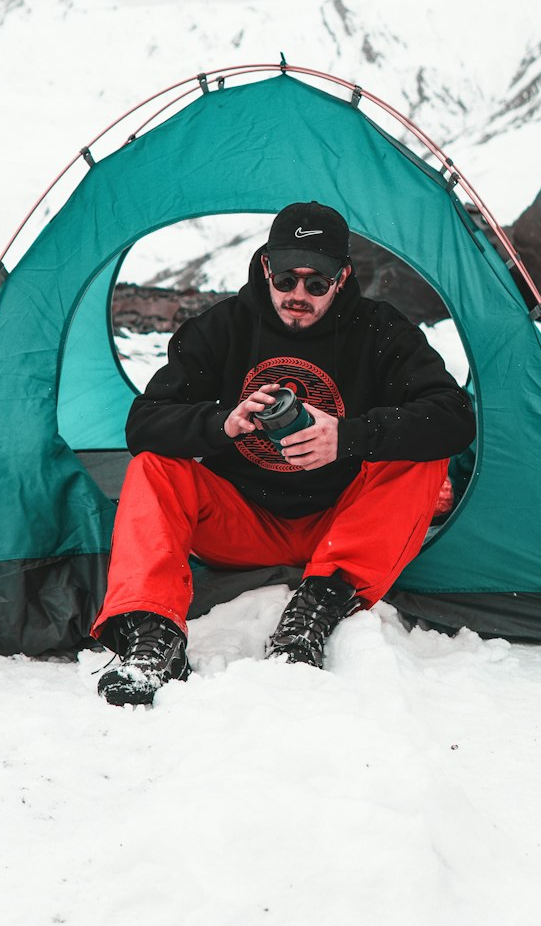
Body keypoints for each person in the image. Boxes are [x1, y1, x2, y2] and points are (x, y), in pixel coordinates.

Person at [92, 201, 476, 705]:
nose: (298, 294)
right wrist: (220, 422)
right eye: (285, 279)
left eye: (316, 282)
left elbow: (453, 416)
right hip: (242, 523)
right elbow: (144, 424)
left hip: (341, 531)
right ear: (265, 267)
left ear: (341, 278)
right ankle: (154, 635)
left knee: (422, 453)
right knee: (154, 466)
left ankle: (315, 608)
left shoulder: (380, 331)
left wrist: (348, 436)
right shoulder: (223, 327)